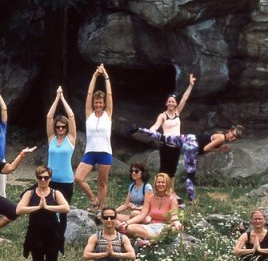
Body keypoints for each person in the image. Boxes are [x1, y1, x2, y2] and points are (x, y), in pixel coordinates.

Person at [15, 165, 71, 261]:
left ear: (50, 179)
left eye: (46, 177)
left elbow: (66, 207)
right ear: (37, 178)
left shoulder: (55, 193)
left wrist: (48, 207)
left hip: (52, 233)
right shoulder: (30, 193)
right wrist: (37, 208)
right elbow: (19, 209)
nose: (43, 180)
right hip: (35, 233)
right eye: (40, 177)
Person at [139, 73, 196, 179]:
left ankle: (171, 193)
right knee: (164, 169)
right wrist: (149, 131)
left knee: (173, 171)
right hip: (166, 145)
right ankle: (160, 192)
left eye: (173, 102)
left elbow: (184, 98)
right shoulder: (162, 115)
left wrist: (191, 85)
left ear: (175, 104)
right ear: (166, 103)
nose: (171, 103)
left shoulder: (177, 112)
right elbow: (156, 126)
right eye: (169, 101)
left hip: (177, 146)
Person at [74, 64, 114, 208]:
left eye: (100, 103)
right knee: (78, 178)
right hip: (90, 152)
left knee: (102, 182)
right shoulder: (89, 114)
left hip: (105, 152)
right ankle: (93, 199)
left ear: (104, 104)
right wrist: (95, 76)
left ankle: (101, 209)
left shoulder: (107, 115)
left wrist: (106, 76)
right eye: (96, 102)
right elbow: (89, 94)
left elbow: (109, 95)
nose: (98, 104)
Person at [45, 87, 79, 235]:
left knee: (63, 211)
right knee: (49, 210)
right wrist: (56, 98)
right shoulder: (51, 138)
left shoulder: (70, 139)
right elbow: (49, 117)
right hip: (49, 180)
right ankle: (50, 236)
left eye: (63, 127)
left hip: (66, 181)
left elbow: (71, 117)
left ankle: (60, 242)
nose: (60, 129)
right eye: (58, 126)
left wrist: (62, 98)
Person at [120, 172, 182, 245]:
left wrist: (177, 223)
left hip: (165, 227)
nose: (160, 184)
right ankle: (156, 239)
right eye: (158, 182)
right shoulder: (150, 198)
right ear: (155, 184)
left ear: (167, 184)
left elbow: (174, 216)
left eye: (163, 182)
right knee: (129, 227)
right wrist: (127, 223)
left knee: (173, 229)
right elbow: (142, 215)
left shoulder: (173, 199)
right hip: (151, 226)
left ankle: (151, 240)